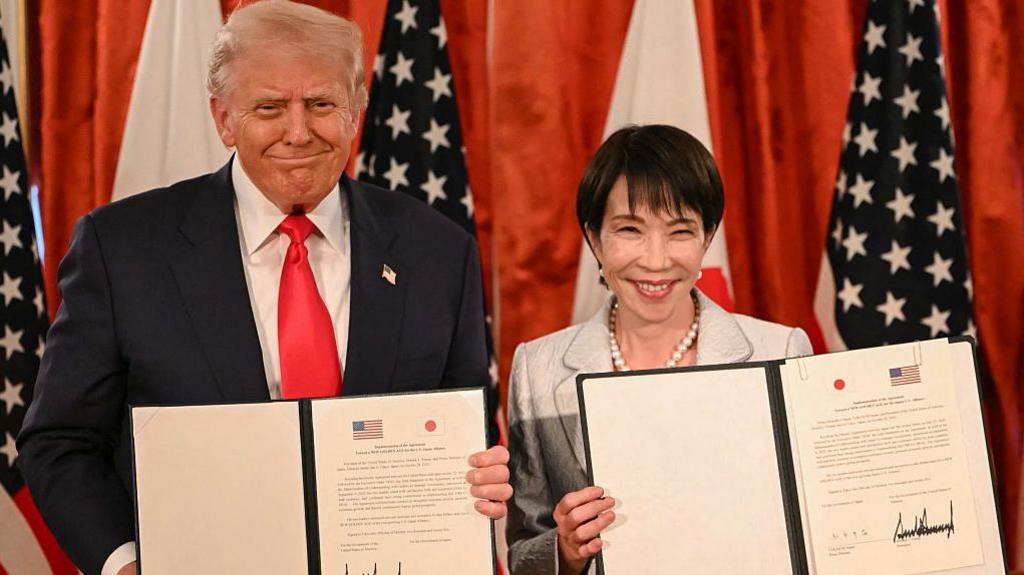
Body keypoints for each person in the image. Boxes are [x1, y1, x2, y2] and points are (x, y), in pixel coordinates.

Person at [17, 2, 511, 575]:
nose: (298, 132)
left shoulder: (438, 252)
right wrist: (126, 566)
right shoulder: (123, 248)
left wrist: (480, 472)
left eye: (321, 104)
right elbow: (59, 440)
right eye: (270, 107)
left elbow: (467, 429)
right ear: (224, 118)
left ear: (355, 112)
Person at [505, 124, 812, 574]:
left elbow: (812, 522)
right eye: (630, 229)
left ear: (707, 238)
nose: (655, 259)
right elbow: (522, 554)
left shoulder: (780, 352)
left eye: (680, 232)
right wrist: (566, 551)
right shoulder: (538, 370)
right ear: (594, 238)